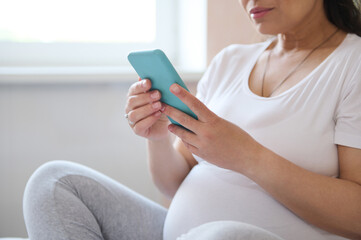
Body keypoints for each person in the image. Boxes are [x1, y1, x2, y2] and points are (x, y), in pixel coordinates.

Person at [23, 0, 361, 239]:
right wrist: (158, 137)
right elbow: (173, 183)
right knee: (54, 182)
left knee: (223, 236)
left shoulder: (353, 64)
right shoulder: (231, 60)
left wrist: (247, 156)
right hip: (181, 232)